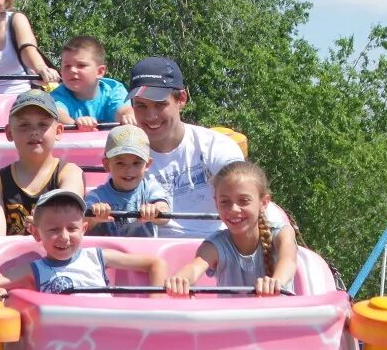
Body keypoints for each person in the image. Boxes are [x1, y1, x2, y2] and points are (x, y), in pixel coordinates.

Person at [128, 56, 291, 245]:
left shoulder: (215, 147)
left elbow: (246, 196)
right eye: (141, 106)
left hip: (219, 251)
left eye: (160, 104)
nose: (151, 116)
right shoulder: (125, 156)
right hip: (152, 258)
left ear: (181, 99)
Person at [0, 188, 167, 298]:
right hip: (63, 342)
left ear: (83, 229)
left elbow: (155, 263)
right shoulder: (35, 269)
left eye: (72, 229)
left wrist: (156, 308)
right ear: (36, 233)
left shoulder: (98, 257)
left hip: (103, 332)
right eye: (54, 229)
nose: (64, 237)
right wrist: (0, 295)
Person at [166, 161, 298, 296]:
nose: (234, 209)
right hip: (233, 317)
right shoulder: (215, 245)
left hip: (279, 315)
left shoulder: (282, 234)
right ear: (216, 204)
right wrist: (180, 280)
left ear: (263, 203)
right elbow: (195, 267)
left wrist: (276, 282)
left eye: (244, 201)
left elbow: (288, 260)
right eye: (225, 202)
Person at [0, 88, 85, 241]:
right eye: (24, 125)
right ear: (9, 133)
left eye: (43, 124)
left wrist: (42, 222)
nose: (34, 131)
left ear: (59, 131)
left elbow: (66, 218)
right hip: (12, 262)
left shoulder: (70, 173)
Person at [85, 125, 170, 235]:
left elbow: (165, 213)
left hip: (144, 250)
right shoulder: (96, 196)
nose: (129, 170)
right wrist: (94, 216)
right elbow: (82, 224)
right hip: (109, 250)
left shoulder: (151, 188)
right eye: (120, 163)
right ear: (106, 164)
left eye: (137, 163)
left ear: (148, 164)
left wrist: (156, 211)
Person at [53, 35, 133, 130]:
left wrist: (128, 116)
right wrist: (75, 124)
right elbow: (58, 114)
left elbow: (123, 110)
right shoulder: (58, 95)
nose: (72, 70)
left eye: (81, 65)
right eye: (67, 66)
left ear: (100, 71)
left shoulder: (114, 89)